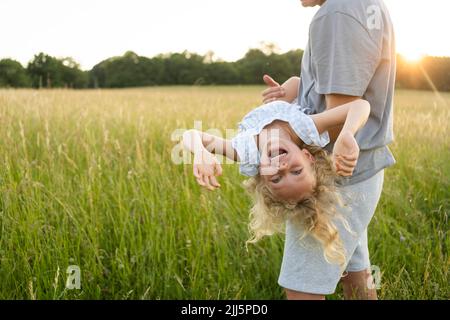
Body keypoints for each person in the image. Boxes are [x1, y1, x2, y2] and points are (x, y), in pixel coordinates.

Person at [262, 0, 396, 299]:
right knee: (354, 271)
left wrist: (279, 130)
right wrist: (296, 88)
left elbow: (338, 118)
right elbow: (341, 91)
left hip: (336, 174)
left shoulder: (337, 12)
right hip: (363, 168)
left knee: (302, 288)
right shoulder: (365, 4)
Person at [182, 93, 370, 271]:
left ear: (262, 173)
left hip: (276, 102)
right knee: (294, 83)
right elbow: (360, 105)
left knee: (288, 87)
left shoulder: (245, 151)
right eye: (296, 171)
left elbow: (190, 134)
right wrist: (348, 132)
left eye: (276, 178)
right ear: (307, 157)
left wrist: (200, 152)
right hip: (293, 96)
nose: (281, 167)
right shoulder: (304, 127)